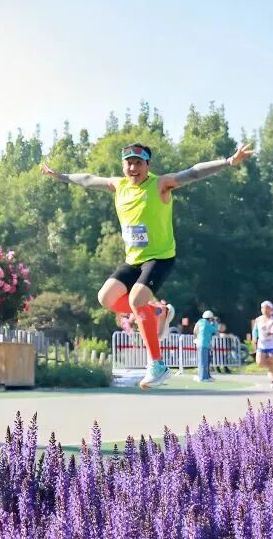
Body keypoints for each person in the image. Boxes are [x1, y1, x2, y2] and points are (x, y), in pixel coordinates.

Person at [40, 140, 254, 388]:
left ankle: (157, 365)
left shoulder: (160, 184)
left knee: (136, 300)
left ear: (147, 165)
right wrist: (61, 176)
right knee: (106, 298)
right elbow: (88, 179)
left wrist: (228, 161)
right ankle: (158, 312)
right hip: (133, 260)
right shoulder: (118, 186)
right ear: (123, 165)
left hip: (159, 257)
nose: (133, 168)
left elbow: (193, 172)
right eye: (129, 163)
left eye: (138, 163)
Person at [252, 300, 273, 388]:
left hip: (272, 344)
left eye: (266, 308)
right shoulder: (258, 319)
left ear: (271, 309)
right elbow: (255, 331)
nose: (264, 310)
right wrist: (254, 339)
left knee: (271, 361)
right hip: (262, 344)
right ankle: (271, 369)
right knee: (259, 362)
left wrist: (272, 333)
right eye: (262, 308)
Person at [193, 310, 218, 382]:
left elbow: (195, 330)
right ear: (210, 318)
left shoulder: (199, 322)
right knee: (204, 362)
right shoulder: (207, 324)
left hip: (200, 344)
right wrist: (215, 323)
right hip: (204, 345)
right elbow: (215, 330)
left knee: (203, 361)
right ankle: (203, 377)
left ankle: (205, 376)